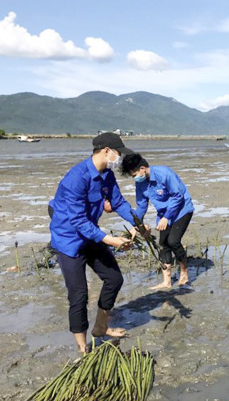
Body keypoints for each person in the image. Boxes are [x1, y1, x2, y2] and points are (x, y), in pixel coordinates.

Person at [48, 132, 136, 353]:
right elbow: (78, 220)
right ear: (106, 151)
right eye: (118, 153)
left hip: (91, 235)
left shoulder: (107, 175)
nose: (120, 158)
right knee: (79, 295)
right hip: (69, 240)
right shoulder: (76, 178)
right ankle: (82, 347)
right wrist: (110, 240)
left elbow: (118, 202)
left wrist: (137, 224)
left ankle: (100, 327)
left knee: (114, 278)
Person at [121, 153, 194, 290]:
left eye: (134, 174)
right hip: (164, 214)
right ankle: (167, 281)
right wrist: (136, 225)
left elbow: (177, 196)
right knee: (163, 244)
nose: (135, 178)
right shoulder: (141, 184)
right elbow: (142, 205)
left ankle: (184, 271)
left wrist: (167, 217)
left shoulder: (164, 173)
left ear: (143, 168)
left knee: (173, 241)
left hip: (181, 209)